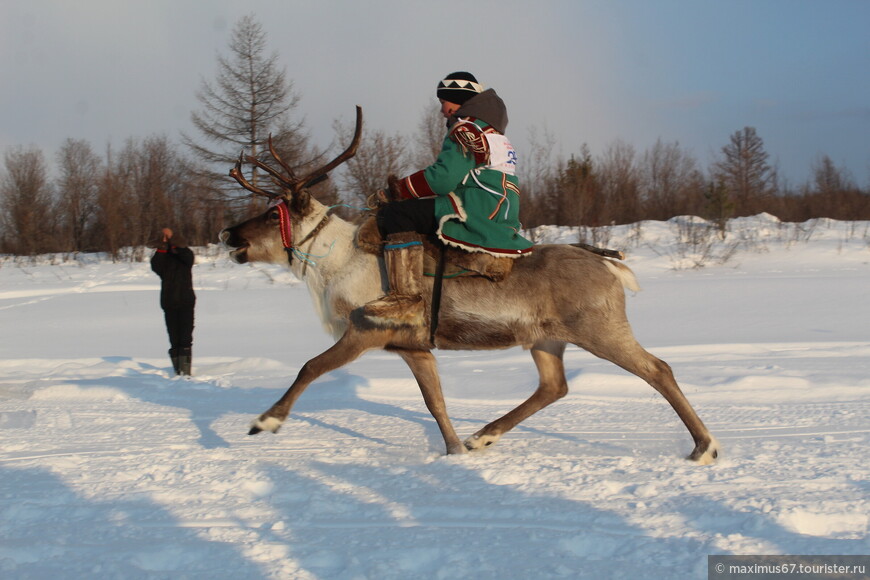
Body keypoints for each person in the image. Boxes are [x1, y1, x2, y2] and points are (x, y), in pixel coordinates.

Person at [364, 71, 533, 326]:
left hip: (473, 206)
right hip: (499, 207)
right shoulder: (494, 133)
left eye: (444, 102)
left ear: (457, 99)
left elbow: (442, 179)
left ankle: (404, 296)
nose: (443, 111)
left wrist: (394, 192)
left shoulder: (466, 128)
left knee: (396, 214)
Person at [150, 227, 195, 375]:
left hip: (186, 301)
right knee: (174, 338)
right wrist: (163, 246)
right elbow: (156, 266)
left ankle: (185, 371)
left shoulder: (185, 255)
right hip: (169, 302)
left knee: (185, 337)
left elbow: (187, 256)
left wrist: (173, 241)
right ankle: (178, 370)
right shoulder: (162, 258)